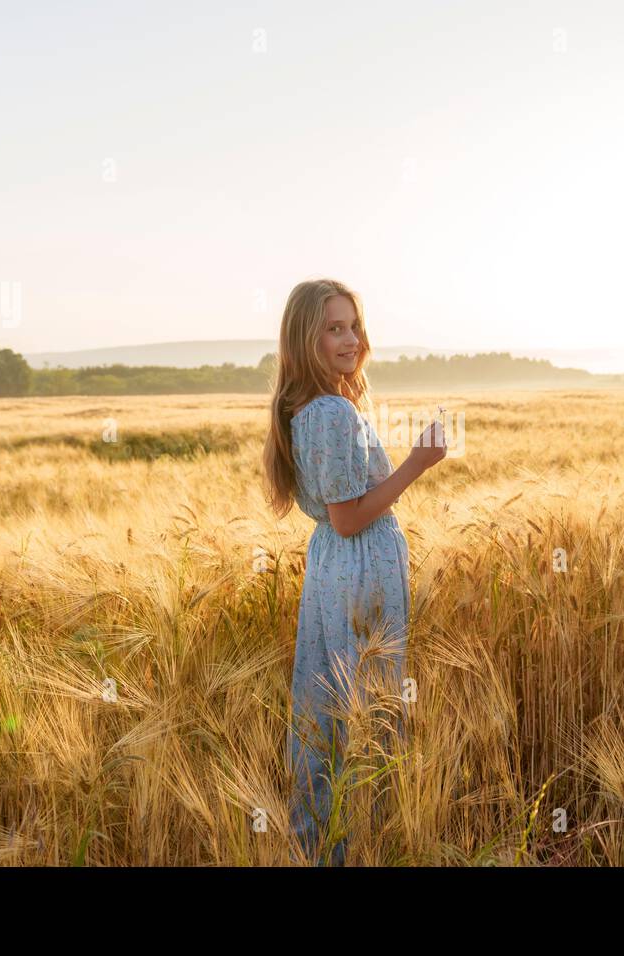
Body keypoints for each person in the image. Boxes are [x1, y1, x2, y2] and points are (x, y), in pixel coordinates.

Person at [261, 277, 446, 864]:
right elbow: (347, 518)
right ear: (303, 338)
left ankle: (329, 842)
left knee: (332, 700)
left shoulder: (308, 406)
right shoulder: (333, 412)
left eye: (354, 326)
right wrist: (418, 462)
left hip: (336, 568)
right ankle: (357, 843)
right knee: (363, 706)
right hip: (358, 562)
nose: (350, 339)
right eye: (333, 328)